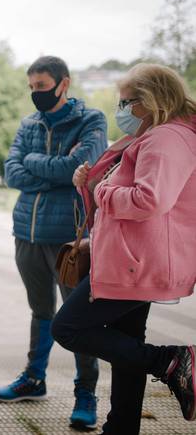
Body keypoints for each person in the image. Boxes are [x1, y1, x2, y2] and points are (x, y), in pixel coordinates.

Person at [52, 63, 196, 434]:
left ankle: (172, 361)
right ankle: (122, 426)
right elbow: (121, 197)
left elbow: (150, 200)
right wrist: (90, 184)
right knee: (126, 344)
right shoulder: (154, 136)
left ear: (149, 102)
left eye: (126, 102)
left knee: (67, 327)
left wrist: (100, 189)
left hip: (137, 262)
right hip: (130, 258)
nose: (122, 110)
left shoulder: (166, 139)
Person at [0, 56, 107, 430]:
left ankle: (86, 394)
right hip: (26, 231)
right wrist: (54, 170)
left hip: (69, 238)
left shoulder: (91, 121)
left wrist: (35, 163)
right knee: (40, 310)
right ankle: (34, 379)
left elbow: (80, 169)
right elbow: (12, 171)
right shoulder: (29, 123)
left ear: (63, 84)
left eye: (41, 86)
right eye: (31, 87)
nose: (35, 94)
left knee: (76, 317)